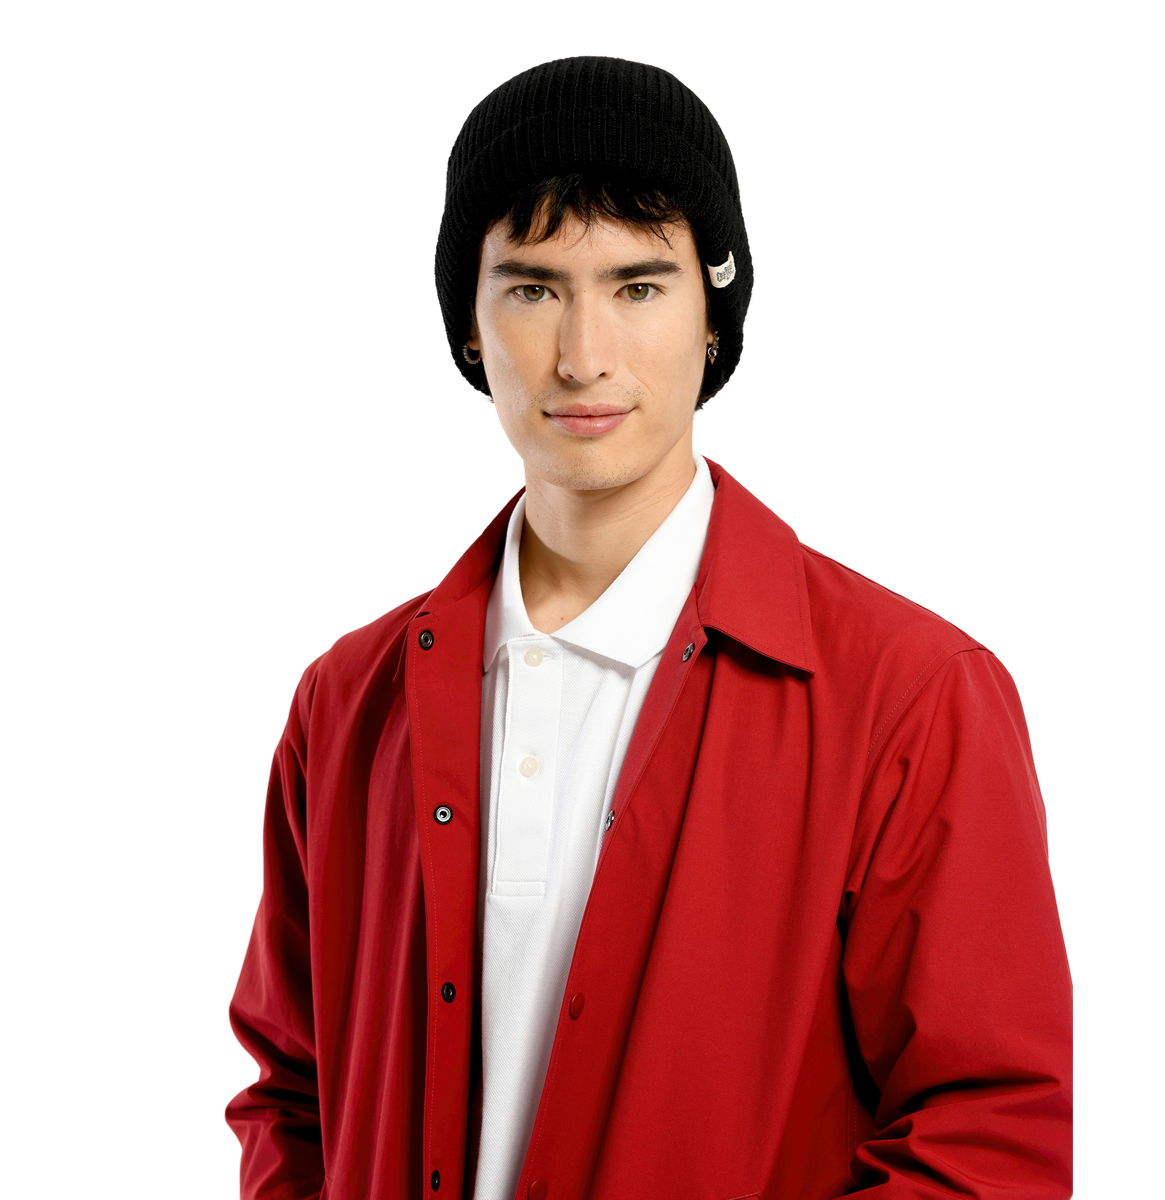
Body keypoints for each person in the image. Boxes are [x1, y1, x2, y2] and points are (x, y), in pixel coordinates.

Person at [225, 55, 1074, 1199]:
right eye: (533, 289)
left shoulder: (912, 696)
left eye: (637, 286)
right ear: (469, 324)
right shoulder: (346, 700)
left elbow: (993, 1134)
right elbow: (289, 1091)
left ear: (713, 318)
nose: (584, 355)